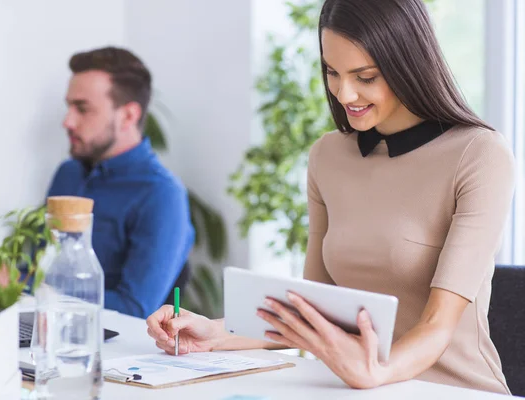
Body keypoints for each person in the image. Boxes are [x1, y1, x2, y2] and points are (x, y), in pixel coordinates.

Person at [146, 0, 515, 395]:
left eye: (365, 77)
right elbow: (312, 312)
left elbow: (437, 324)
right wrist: (215, 333)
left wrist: (375, 372)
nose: (344, 92)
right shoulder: (328, 155)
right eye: (332, 72)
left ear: (410, 65)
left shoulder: (479, 155)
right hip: (356, 389)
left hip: (453, 390)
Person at [47, 46, 195, 319]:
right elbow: (33, 265)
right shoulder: (68, 174)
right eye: (69, 106)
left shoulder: (161, 194)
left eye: (82, 109)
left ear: (128, 116)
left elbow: (135, 308)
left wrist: (41, 289)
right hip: (48, 331)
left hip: (112, 350)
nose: (67, 121)